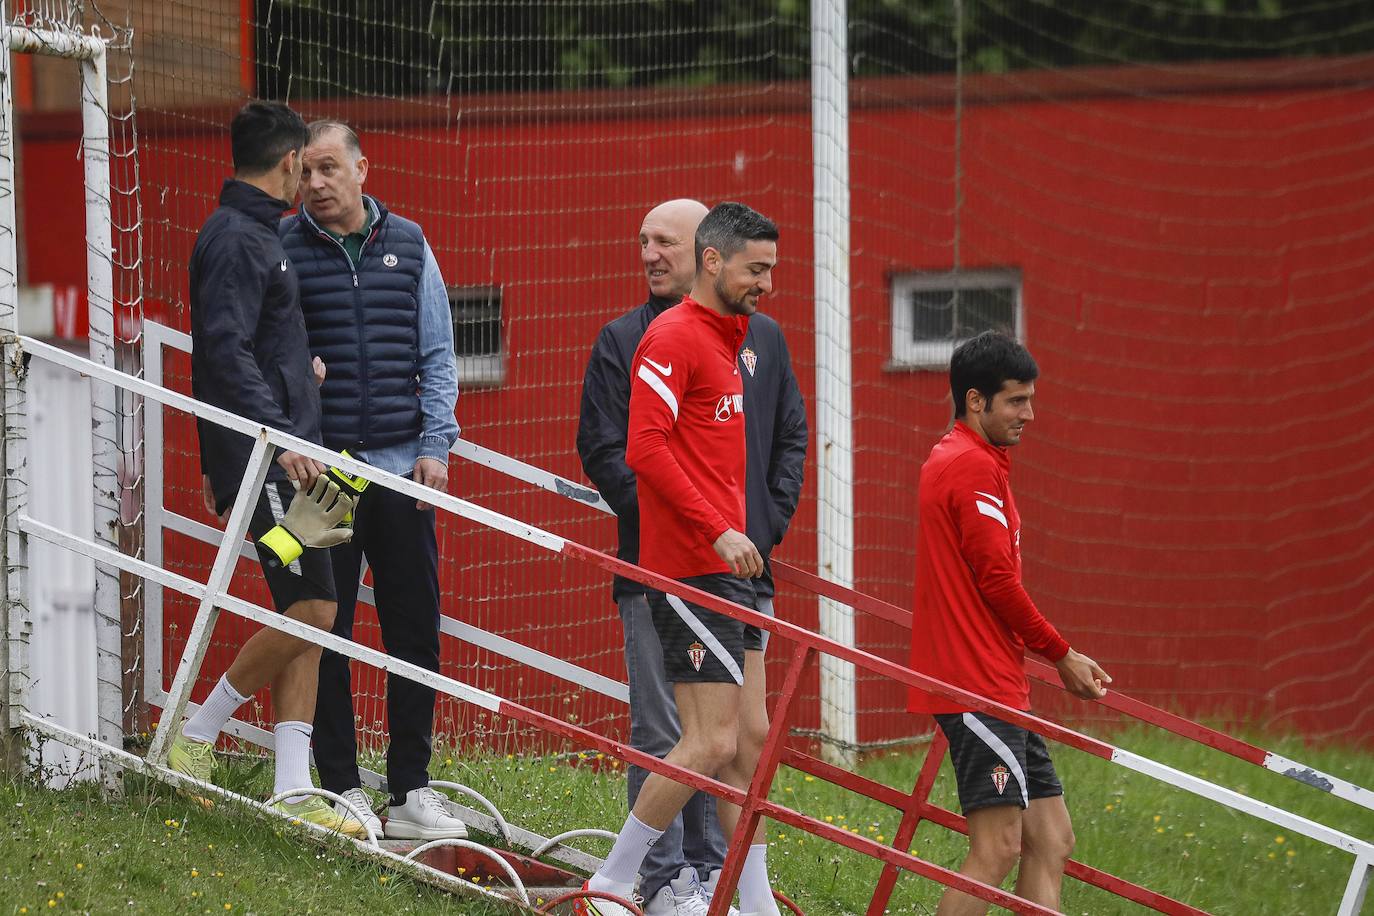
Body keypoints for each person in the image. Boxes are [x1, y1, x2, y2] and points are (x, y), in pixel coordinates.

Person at [577, 199, 806, 915]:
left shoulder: (741, 335)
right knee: (699, 740)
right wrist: (716, 531)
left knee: (747, 741)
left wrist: (754, 530)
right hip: (689, 570)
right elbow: (640, 448)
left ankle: (753, 899)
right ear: (714, 261)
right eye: (756, 268)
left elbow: (765, 447)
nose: (767, 281)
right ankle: (618, 882)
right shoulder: (670, 336)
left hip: (738, 569)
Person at [178, 100, 364, 837]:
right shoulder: (236, 238)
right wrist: (277, 431)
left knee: (314, 614)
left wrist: (298, 373)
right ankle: (196, 733)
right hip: (276, 457)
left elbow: (247, 345)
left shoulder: (257, 233)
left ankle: (292, 785)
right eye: (306, 165)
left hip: (294, 452)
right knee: (315, 610)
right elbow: (220, 352)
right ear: (289, 163)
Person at [278, 120, 466, 840]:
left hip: (400, 471)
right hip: (319, 474)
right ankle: (343, 788)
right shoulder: (284, 248)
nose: (317, 184)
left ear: (362, 168)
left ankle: (411, 790)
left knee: (414, 630)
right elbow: (273, 355)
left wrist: (436, 447)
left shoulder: (411, 243)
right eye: (306, 173)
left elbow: (441, 353)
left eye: (330, 169)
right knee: (324, 627)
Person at [907, 331, 1112, 915]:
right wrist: (1062, 653)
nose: (1030, 414)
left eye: (1030, 399)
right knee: (996, 847)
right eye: (1017, 401)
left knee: (1052, 839)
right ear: (977, 401)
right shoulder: (967, 465)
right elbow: (998, 583)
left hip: (999, 682)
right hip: (974, 684)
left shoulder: (980, 461)